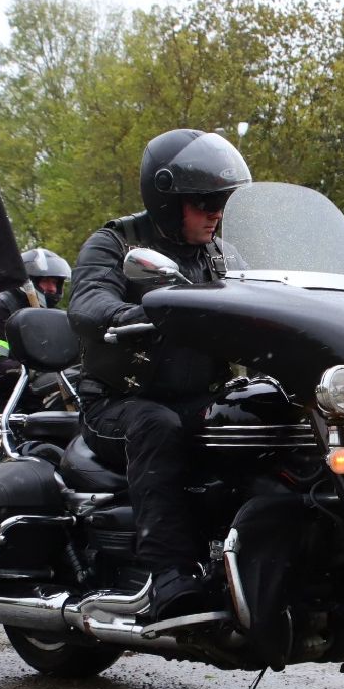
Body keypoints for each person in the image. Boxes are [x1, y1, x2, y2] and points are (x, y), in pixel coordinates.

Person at [69, 128, 250, 619]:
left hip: (194, 396)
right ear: (168, 200)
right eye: (204, 201)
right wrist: (125, 315)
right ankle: (168, 573)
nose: (216, 211)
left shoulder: (222, 255)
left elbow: (263, 298)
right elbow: (88, 300)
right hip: (118, 402)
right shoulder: (115, 243)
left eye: (222, 201)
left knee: (260, 416)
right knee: (156, 425)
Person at [0, 248, 72, 416]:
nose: (52, 288)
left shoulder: (53, 314)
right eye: (46, 281)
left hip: (35, 403)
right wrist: (39, 372)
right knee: (1, 441)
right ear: (29, 280)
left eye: (56, 282)